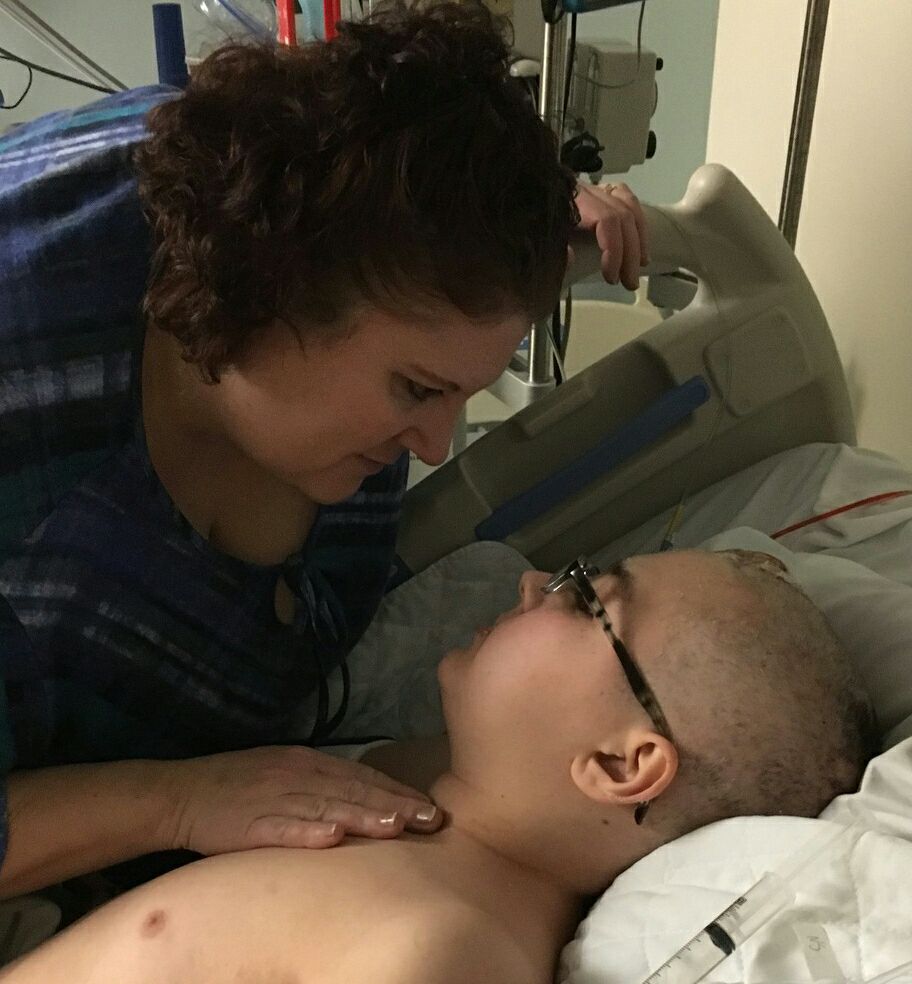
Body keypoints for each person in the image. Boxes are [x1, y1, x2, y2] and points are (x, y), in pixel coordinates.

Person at [0, 0, 650, 900]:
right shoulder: (41, 441)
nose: (435, 448)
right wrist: (177, 803)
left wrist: (522, 221)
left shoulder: (281, 189)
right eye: (417, 389)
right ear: (268, 288)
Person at [0, 548, 878, 984]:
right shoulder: (420, 806)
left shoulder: (447, 950)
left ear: (619, 765)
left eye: (585, 597)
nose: (533, 582)